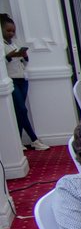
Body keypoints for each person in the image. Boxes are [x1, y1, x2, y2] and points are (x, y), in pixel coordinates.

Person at [2, 15, 48, 150]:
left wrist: (24, 56)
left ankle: (18, 142)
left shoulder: (13, 44)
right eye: (8, 31)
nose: (11, 33)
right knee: (22, 109)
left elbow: (24, 63)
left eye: (13, 31)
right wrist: (8, 57)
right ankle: (33, 139)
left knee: (19, 112)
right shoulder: (1, 46)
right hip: (11, 80)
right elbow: (3, 65)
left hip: (22, 78)